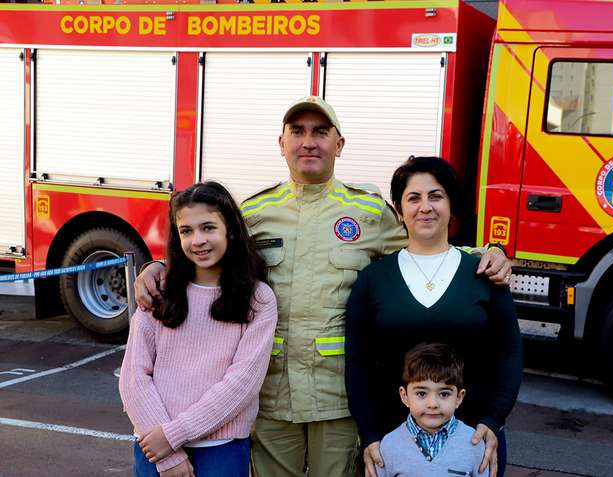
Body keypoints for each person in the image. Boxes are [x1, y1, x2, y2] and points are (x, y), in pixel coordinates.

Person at [133, 97, 512, 477]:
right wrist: (158, 267)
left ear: (339, 144)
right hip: (271, 398)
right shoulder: (253, 213)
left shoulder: (369, 213)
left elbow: (425, 246)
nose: (308, 142)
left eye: (320, 132)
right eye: (297, 132)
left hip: (337, 400)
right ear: (281, 144)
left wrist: (487, 252)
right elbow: (207, 251)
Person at [345, 156, 523, 477]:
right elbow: (357, 360)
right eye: (414, 198)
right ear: (399, 211)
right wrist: (369, 433)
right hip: (392, 441)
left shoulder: (484, 273)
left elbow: (509, 353)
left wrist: (493, 420)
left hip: (473, 439)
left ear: (451, 206)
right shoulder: (373, 279)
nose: (425, 206)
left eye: (436, 196)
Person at [119, 181, 278, 477]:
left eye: (208, 228)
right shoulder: (158, 291)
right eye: (186, 231)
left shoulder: (258, 298)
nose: (197, 240)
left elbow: (242, 384)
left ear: (229, 229)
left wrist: (173, 435)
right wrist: (167, 455)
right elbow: (133, 378)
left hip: (222, 449)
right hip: (154, 447)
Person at [376, 342, 487, 477]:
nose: (433, 404)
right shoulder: (389, 445)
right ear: (405, 396)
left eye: (444, 394)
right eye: (422, 394)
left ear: (459, 397)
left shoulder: (474, 443)